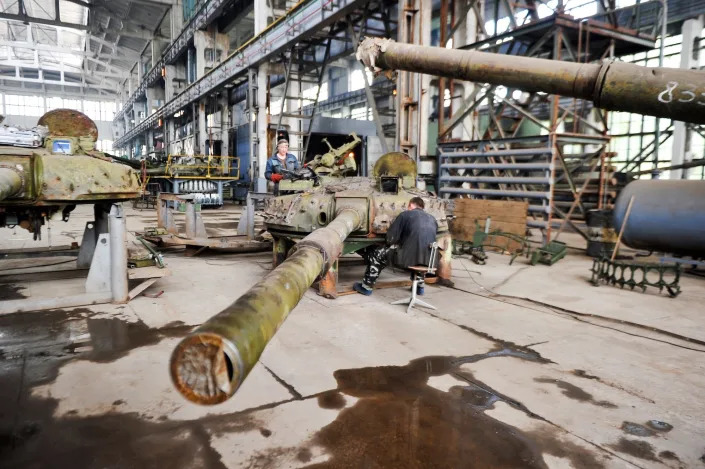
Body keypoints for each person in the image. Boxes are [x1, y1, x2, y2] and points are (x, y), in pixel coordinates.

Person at [354, 196, 438, 296]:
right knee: (420, 254)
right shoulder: (432, 219)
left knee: (377, 253)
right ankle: (419, 288)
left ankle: (366, 287)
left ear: (410, 205)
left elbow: (390, 239)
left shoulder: (405, 215)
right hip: (430, 260)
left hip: (407, 259)